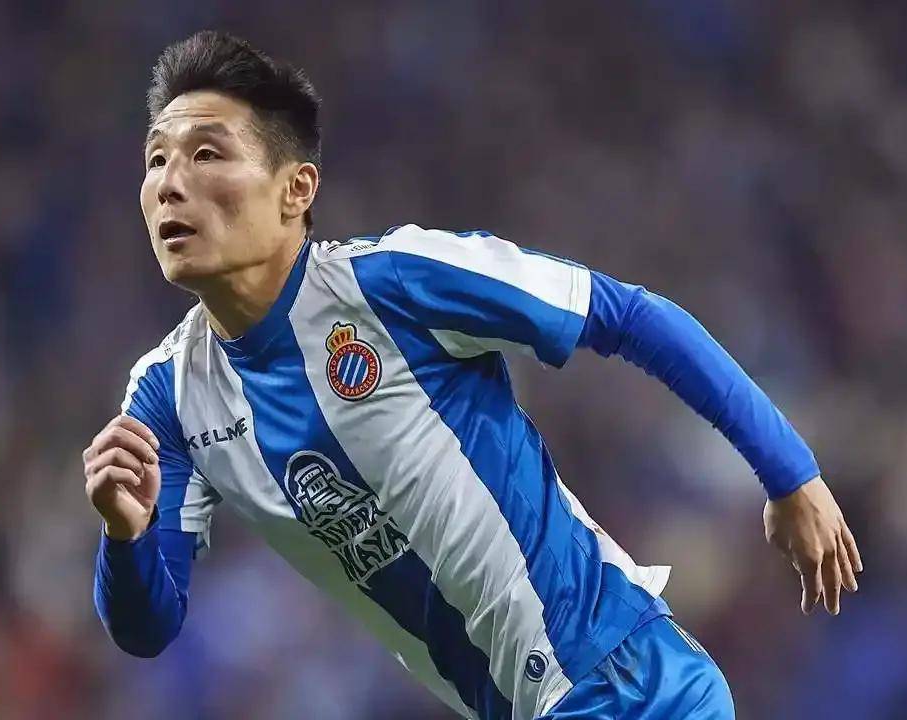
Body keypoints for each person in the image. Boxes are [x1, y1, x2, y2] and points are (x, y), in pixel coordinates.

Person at [83, 30, 862, 720]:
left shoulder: (396, 282)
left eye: (206, 154)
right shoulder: (168, 397)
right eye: (156, 159)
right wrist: (125, 535)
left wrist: (789, 474)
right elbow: (148, 627)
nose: (170, 182)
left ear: (296, 190)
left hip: (626, 685)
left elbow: (625, 315)